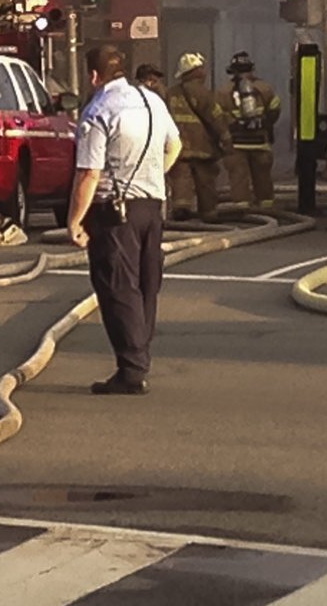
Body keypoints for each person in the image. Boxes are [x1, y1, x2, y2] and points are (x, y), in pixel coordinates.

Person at [67, 44, 181, 395]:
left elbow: (89, 173)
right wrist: (153, 176)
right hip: (152, 205)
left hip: (114, 211)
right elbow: (174, 145)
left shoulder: (99, 109)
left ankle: (132, 369)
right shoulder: (152, 101)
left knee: (118, 285)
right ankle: (139, 355)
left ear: (93, 76)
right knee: (147, 283)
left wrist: (75, 221)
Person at [164, 53, 230, 221]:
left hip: (177, 146)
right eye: (201, 69)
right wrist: (225, 136)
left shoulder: (170, 93)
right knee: (205, 180)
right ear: (197, 72)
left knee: (180, 178)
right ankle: (209, 213)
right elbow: (214, 116)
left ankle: (181, 208)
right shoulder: (202, 92)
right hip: (202, 145)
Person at [223, 53, 280, 207]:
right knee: (263, 177)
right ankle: (266, 205)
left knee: (239, 177)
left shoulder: (224, 91)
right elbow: (275, 108)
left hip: (236, 144)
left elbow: (218, 115)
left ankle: (242, 207)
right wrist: (266, 124)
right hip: (260, 141)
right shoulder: (265, 88)